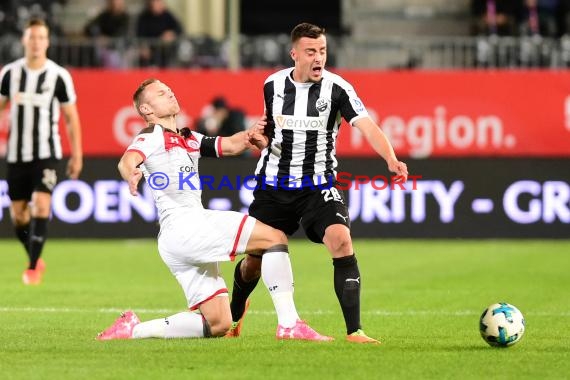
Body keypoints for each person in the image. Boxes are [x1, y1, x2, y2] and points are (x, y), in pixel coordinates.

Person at [96, 78, 332, 341]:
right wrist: (132, 172)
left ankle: (133, 330)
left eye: (170, 89)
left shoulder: (187, 138)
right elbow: (128, 160)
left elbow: (230, 145)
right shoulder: (151, 136)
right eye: (162, 93)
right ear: (147, 110)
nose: (170, 93)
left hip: (176, 240)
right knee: (274, 238)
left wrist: (251, 133)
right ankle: (289, 325)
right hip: (185, 226)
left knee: (219, 323)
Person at [225, 23, 409, 344]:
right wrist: (259, 137)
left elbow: (367, 126)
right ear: (294, 54)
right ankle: (234, 316)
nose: (318, 58)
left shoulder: (338, 89)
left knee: (341, 241)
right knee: (253, 263)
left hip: (317, 186)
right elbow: (270, 128)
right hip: (273, 187)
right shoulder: (273, 84)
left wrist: (391, 159)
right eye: (311, 51)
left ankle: (355, 331)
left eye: (322, 51)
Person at [0, 18, 83, 286]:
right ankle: (34, 256)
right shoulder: (10, 74)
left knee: (43, 203)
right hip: (16, 155)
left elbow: (71, 118)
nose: (36, 42)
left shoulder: (59, 75)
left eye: (41, 37)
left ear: (47, 42)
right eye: (32, 37)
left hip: (47, 152)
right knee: (19, 214)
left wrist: (77, 154)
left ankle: (33, 268)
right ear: (24, 40)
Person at [83, 0, 131, 68]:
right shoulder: (104, 15)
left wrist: (108, 39)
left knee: (113, 58)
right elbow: (89, 27)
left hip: (120, 49)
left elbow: (123, 33)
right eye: (113, 2)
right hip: (104, 48)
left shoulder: (126, 17)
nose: (115, 4)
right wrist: (98, 36)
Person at [135, 0, 183, 67]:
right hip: (149, 52)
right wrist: (143, 46)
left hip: (165, 51)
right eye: (155, 2)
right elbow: (139, 34)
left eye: (159, 2)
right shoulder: (144, 17)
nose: (157, 4)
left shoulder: (168, 15)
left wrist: (171, 33)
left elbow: (179, 29)